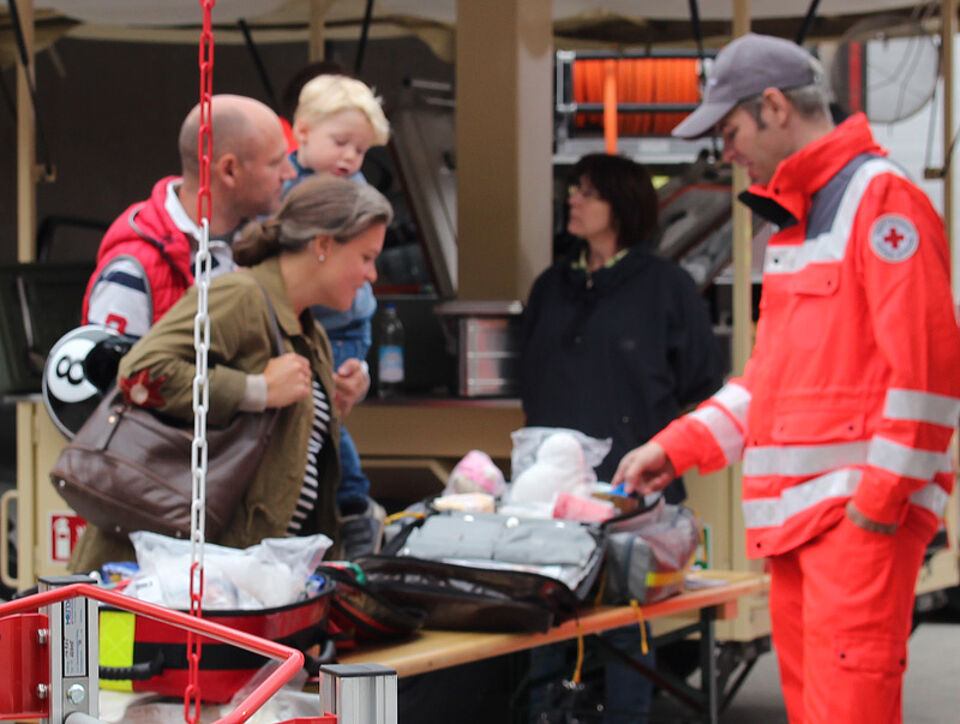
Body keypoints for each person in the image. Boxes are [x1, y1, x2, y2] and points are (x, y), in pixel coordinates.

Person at [613, 33, 960, 724]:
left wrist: (876, 507)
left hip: (850, 527)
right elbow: (769, 385)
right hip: (814, 529)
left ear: (774, 107)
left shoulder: (878, 200)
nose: (728, 153)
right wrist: (674, 448)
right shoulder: (804, 219)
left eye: (730, 132)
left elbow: (928, 375)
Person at [68, 175, 393, 573]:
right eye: (366, 257)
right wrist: (257, 389)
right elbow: (141, 371)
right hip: (157, 581)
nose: (372, 275)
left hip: (232, 581)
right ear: (323, 245)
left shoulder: (312, 336)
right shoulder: (240, 296)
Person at [522, 153, 723, 723]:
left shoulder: (666, 286)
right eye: (574, 189)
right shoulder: (552, 286)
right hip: (551, 496)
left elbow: (703, 381)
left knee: (627, 625)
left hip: (633, 492)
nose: (573, 200)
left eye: (589, 192)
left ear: (623, 205)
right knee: (545, 623)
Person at [82, 94, 296, 339]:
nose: (289, 173)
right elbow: (115, 364)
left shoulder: (268, 240)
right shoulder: (134, 270)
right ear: (229, 170)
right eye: (275, 162)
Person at [286, 73, 392, 554]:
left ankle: (352, 503)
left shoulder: (357, 192)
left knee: (324, 416)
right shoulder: (282, 187)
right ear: (302, 132)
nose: (350, 157)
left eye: (360, 149)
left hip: (347, 328)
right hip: (302, 325)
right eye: (341, 142)